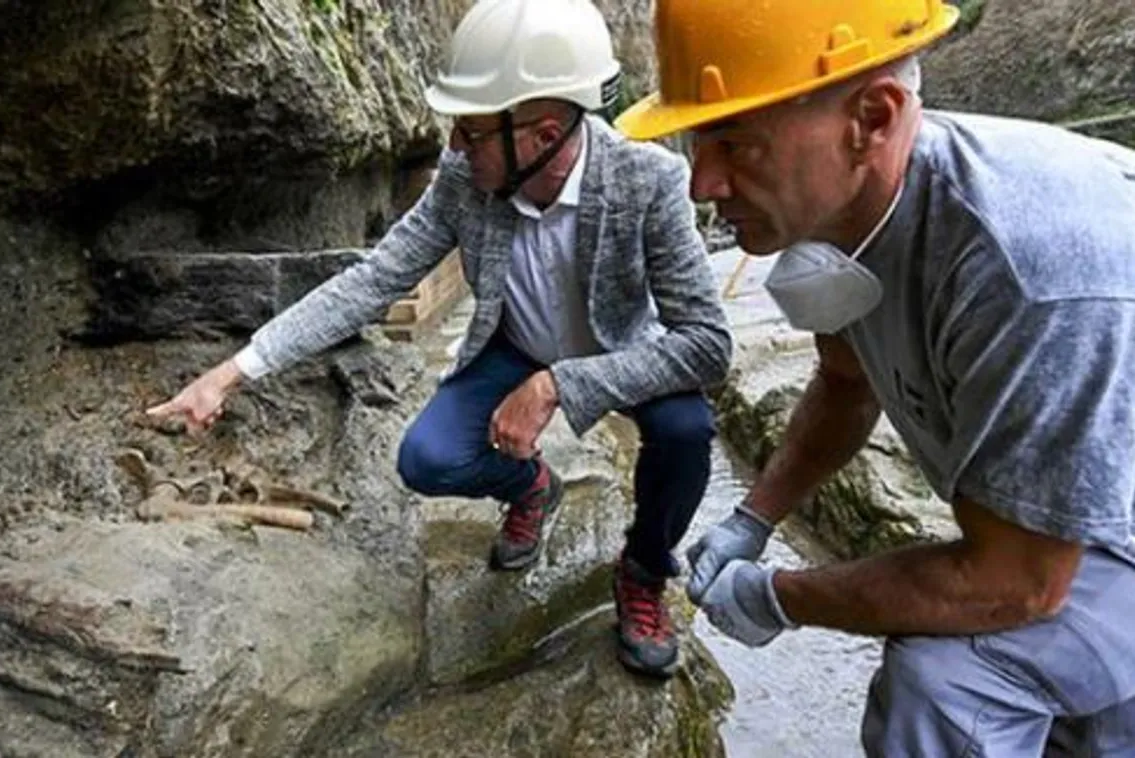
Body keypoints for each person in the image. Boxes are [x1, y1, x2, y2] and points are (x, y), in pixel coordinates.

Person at [145, 0, 731, 678]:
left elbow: (706, 343)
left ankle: (642, 573)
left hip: (617, 349)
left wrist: (557, 385)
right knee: (425, 460)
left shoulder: (649, 182)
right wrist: (232, 372)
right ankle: (531, 488)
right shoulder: (465, 181)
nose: (451, 146)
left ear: (543, 133)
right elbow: (371, 282)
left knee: (686, 432)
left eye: (471, 130)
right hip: (513, 345)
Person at [617, 0, 1135, 753]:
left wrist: (779, 597)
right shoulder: (853, 222)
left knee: (946, 683)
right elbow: (844, 382)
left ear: (872, 116)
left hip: (1093, 547)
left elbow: (1012, 582)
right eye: (699, 140)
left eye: (733, 142)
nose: (702, 183)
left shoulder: (1029, 268)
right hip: (1078, 535)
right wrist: (753, 519)